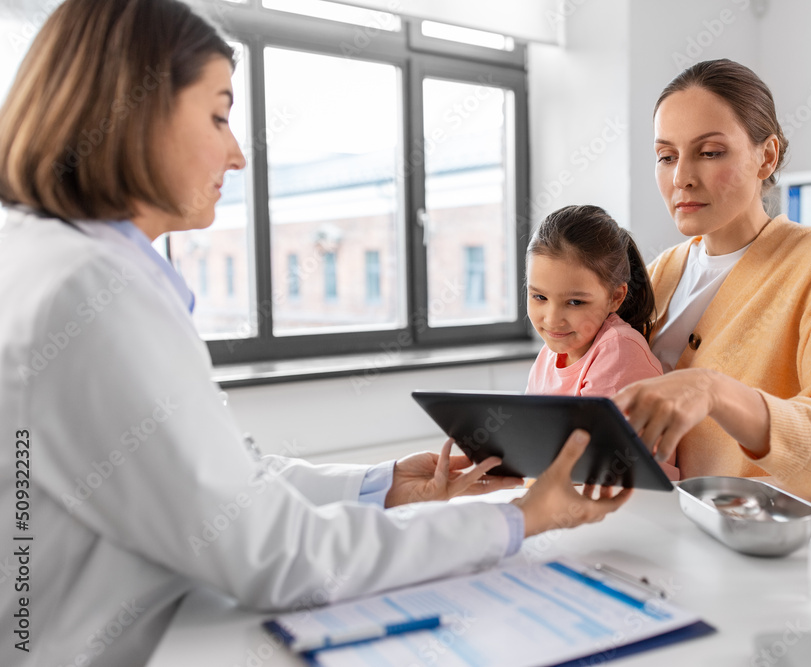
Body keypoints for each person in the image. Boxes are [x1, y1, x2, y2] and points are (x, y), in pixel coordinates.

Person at [0, 2, 629, 665]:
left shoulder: (49, 261)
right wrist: (521, 517)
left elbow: (225, 484)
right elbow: (277, 553)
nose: (237, 153)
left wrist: (386, 485)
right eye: (218, 114)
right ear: (134, 112)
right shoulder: (92, 293)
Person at [613, 59, 811, 502]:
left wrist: (716, 392)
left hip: (750, 550)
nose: (681, 177)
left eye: (709, 152)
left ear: (767, 156)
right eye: (666, 156)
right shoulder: (659, 273)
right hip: (647, 536)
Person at [525, 205, 663, 397]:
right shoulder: (549, 354)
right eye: (540, 297)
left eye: (575, 302)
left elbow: (591, 428)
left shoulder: (619, 348)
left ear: (615, 297)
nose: (552, 320)